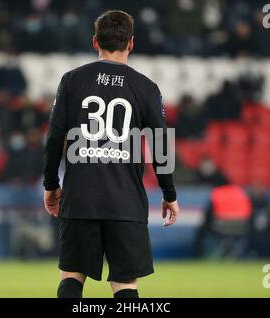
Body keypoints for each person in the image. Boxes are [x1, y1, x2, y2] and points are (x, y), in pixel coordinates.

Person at [43, 10, 179, 299]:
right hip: (126, 202)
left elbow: (55, 137)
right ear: (131, 43)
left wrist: (51, 184)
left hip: (80, 198)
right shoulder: (146, 87)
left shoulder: (72, 81)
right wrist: (169, 193)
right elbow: (160, 144)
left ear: (95, 42)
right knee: (125, 284)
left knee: (71, 277)